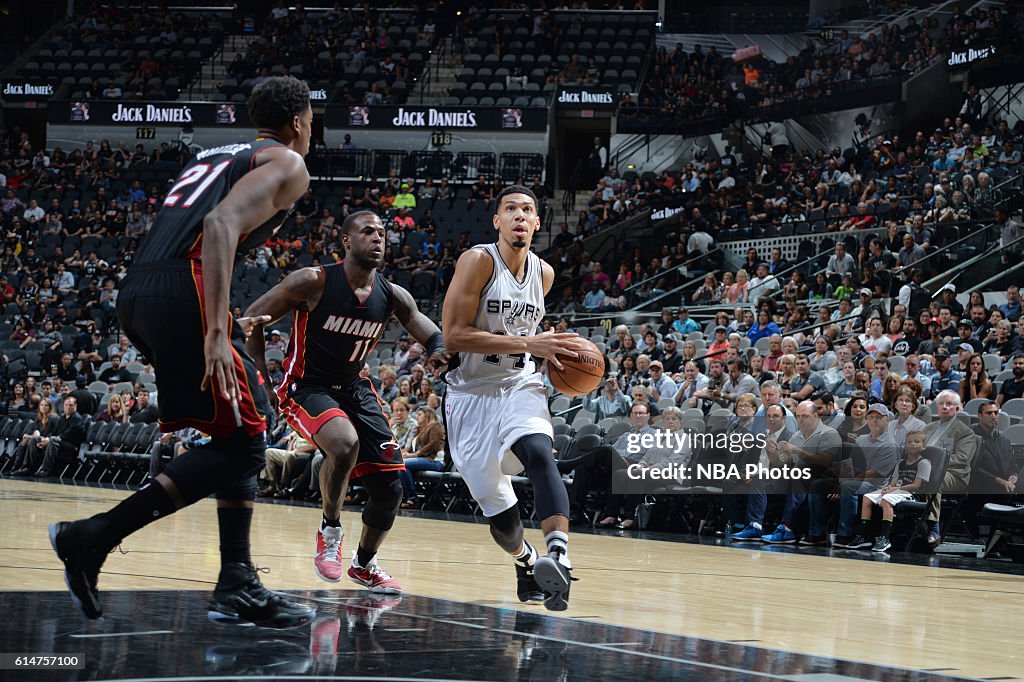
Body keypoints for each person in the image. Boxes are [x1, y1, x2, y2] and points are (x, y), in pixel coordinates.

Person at [48, 76, 317, 628]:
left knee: (239, 431)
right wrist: (216, 331)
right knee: (246, 445)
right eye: (312, 120)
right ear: (297, 122)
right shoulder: (288, 161)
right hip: (186, 288)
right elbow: (219, 225)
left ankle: (236, 581)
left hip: (141, 289)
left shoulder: (219, 155)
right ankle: (91, 536)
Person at [244, 210, 448, 592]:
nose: (377, 239)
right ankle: (330, 529)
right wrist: (262, 379)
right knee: (343, 443)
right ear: (346, 241)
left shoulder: (391, 295)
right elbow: (252, 318)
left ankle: (365, 564)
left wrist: (437, 349)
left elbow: (426, 327)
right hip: (306, 386)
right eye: (367, 231)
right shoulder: (313, 281)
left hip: (355, 388)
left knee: (391, 487)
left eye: (382, 234)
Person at [441, 185, 584, 611]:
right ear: (497, 221)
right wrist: (529, 345)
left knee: (540, 452)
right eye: (510, 209)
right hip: (470, 396)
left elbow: (532, 344)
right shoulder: (478, 260)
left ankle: (558, 553)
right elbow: (453, 335)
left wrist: (548, 354)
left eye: (527, 210)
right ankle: (527, 560)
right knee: (503, 520)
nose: (519, 216)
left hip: (520, 385)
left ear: (537, 223)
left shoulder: (544, 273)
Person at [860, 430, 931, 553]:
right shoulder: (900, 463)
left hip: (912, 494)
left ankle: (885, 538)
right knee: (867, 497)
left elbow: (916, 486)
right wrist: (888, 488)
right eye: (909, 442)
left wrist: (894, 489)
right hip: (896, 491)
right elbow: (893, 483)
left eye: (917, 442)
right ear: (904, 445)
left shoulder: (924, 463)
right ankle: (864, 536)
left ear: (924, 446)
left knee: (886, 500)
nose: (912, 444)